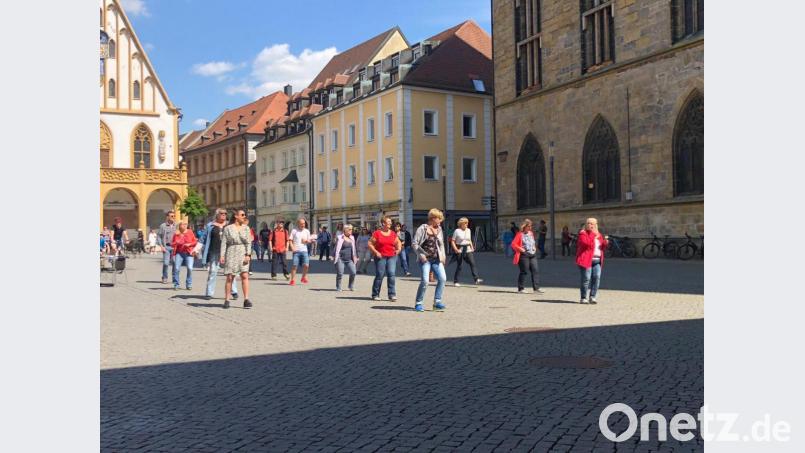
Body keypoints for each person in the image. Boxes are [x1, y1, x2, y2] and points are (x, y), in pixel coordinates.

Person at [412, 209, 448, 312]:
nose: (440, 221)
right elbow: (414, 243)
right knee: (425, 280)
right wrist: (421, 255)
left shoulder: (439, 229)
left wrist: (443, 256)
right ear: (433, 218)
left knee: (442, 278)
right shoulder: (422, 228)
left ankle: (437, 302)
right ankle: (418, 303)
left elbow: (441, 244)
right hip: (425, 259)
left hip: (436, 259)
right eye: (439, 218)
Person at [201, 208, 239, 300]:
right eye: (222, 213)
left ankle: (233, 291)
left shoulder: (230, 225)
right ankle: (209, 293)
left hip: (228, 251)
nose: (224, 214)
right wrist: (196, 249)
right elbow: (203, 238)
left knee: (230, 272)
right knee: (213, 272)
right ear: (217, 215)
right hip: (214, 251)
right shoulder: (210, 225)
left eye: (225, 213)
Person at [220, 209, 252, 309]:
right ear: (236, 216)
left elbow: (249, 242)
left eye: (244, 215)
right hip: (231, 252)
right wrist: (222, 255)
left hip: (242, 252)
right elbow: (224, 242)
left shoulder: (246, 228)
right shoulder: (228, 228)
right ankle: (227, 300)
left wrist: (248, 254)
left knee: (244, 275)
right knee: (230, 277)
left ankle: (246, 299)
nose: (244, 216)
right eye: (242, 215)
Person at [368, 216, 402, 301]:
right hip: (380, 256)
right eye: (389, 221)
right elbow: (370, 243)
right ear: (383, 223)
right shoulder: (377, 233)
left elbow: (398, 242)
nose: (390, 223)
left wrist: (398, 249)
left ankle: (392, 295)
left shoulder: (393, 233)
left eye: (390, 222)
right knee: (380, 274)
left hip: (392, 256)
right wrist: (376, 252)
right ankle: (375, 294)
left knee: (391, 274)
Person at [576, 217, 608, 304]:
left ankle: (592, 297)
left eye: (592, 223)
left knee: (596, 278)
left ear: (595, 225)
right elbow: (586, 244)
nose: (590, 225)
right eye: (588, 223)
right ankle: (583, 298)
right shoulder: (583, 233)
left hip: (597, 260)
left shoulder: (598, 234)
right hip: (586, 260)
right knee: (586, 279)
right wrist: (594, 236)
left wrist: (605, 243)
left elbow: (601, 247)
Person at [511, 219, 546, 295]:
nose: (530, 228)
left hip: (532, 254)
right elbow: (513, 244)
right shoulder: (519, 234)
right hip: (524, 255)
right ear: (524, 226)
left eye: (531, 226)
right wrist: (521, 249)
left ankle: (536, 288)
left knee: (535, 270)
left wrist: (534, 247)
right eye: (528, 226)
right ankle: (521, 289)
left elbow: (532, 242)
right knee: (524, 271)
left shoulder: (531, 233)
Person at [451, 217, 483, 286]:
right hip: (460, 249)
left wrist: (472, 247)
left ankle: (476, 279)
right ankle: (456, 281)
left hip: (468, 249)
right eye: (465, 223)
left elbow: (469, 240)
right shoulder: (457, 231)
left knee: (472, 263)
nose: (467, 224)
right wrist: (456, 249)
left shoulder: (468, 230)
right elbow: (452, 241)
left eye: (467, 223)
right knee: (460, 266)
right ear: (461, 224)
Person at [171, 220, 198, 290]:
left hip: (189, 253)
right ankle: (176, 284)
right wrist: (176, 242)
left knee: (190, 268)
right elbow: (172, 244)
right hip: (179, 253)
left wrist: (189, 244)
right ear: (179, 225)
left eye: (186, 224)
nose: (185, 225)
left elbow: (195, 242)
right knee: (177, 268)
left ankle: (189, 284)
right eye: (183, 224)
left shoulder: (190, 232)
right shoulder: (176, 233)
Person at [333, 224, 358, 291]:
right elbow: (336, 248)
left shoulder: (352, 237)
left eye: (351, 229)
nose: (351, 230)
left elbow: (354, 248)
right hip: (340, 258)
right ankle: (338, 287)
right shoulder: (340, 237)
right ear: (345, 230)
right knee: (340, 273)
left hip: (350, 259)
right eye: (350, 229)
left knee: (353, 272)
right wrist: (334, 257)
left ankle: (350, 286)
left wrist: (356, 256)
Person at [288, 218, 312, 285]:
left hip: (304, 251)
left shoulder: (307, 231)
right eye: (301, 224)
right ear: (298, 224)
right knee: (295, 266)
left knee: (306, 265)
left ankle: (303, 277)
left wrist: (306, 241)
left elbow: (309, 240)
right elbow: (290, 240)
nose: (303, 225)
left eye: (304, 223)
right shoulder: (294, 231)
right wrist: (292, 248)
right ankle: (292, 280)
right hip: (296, 251)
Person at [156, 211, 177, 284]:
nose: (173, 217)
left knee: (174, 262)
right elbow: (159, 236)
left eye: (174, 216)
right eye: (171, 216)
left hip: (175, 247)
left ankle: (174, 278)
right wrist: (161, 246)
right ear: (167, 217)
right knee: (166, 263)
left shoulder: (176, 226)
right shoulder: (163, 226)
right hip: (166, 247)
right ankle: (164, 277)